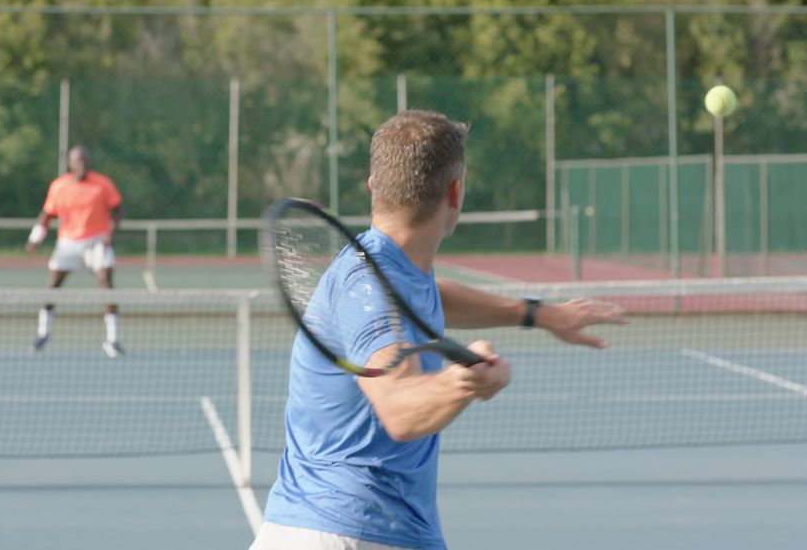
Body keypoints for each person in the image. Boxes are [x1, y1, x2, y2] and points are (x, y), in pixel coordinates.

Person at [252, 110, 626, 550]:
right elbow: (399, 409)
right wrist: (463, 382)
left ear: (374, 187)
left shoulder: (397, 266)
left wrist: (541, 315)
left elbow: (437, 295)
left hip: (363, 529)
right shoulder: (366, 286)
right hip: (349, 530)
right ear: (455, 193)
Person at [25, 145, 125, 358]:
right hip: (68, 243)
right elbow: (47, 215)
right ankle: (43, 334)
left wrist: (111, 232)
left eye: (86, 160)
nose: (82, 164)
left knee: (107, 285)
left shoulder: (103, 185)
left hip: (97, 242)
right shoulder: (59, 187)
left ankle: (113, 340)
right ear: (70, 163)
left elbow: (117, 210)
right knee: (52, 287)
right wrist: (35, 239)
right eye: (78, 160)